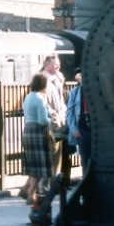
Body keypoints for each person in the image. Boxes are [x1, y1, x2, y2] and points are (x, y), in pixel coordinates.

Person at [22, 73, 53, 205]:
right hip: (38, 132)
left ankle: (24, 189)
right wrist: (51, 117)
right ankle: (31, 195)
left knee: (33, 164)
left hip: (28, 130)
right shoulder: (41, 99)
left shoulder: (28, 97)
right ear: (43, 85)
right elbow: (43, 120)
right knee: (40, 167)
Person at [41, 54, 71, 188]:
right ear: (47, 64)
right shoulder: (44, 79)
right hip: (52, 123)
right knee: (52, 156)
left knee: (59, 156)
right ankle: (48, 186)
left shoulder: (57, 78)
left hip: (60, 121)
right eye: (55, 64)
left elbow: (60, 100)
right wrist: (54, 116)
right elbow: (46, 102)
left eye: (58, 64)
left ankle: (56, 184)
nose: (58, 66)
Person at [66, 68, 91, 175]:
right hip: (82, 130)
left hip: (95, 130)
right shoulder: (74, 93)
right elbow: (69, 113)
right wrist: (74, 129)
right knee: (84, 159)